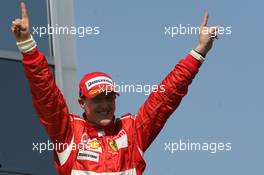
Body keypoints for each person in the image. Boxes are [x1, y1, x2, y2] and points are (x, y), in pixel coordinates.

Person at [11, 2, 219, 175]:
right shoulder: (68, 134)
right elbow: (45, 94)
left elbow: (166, 97)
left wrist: (199, 51)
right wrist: (27, 45)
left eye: (109, 98)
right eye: (97, 99)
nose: (105, 105)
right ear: (82, 103)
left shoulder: (132, 132)